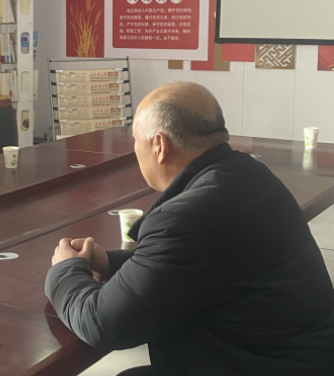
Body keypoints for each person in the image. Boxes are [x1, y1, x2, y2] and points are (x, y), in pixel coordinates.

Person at [45, 81, 334, 376]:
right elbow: (192, 265)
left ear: (159, 146)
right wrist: (109, 262)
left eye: (136, 140)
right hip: (300, 356)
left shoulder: (186, 218)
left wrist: (65, 270)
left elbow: (102, 325)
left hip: (262, 364)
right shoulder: (248, 174)